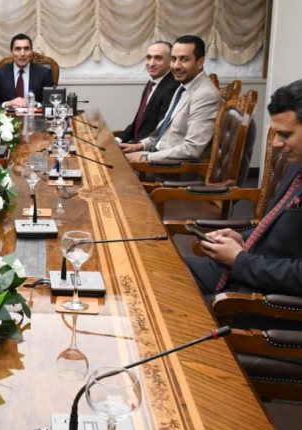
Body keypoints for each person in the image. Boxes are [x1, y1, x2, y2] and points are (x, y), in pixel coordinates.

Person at [186, 79, 302, 297]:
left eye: (285, 135)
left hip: (264, 296)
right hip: (246, 268)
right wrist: (243, 238)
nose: (276, 143)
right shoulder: (298, 164)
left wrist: (239, 260)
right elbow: (277, 229)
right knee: (156, 271)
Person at [120, 35, 221, 163]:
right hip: (157, 158)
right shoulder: (182, 87)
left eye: (184, 59)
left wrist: (144, 157)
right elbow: (163, 134)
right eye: (173, 59)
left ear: (200, 62)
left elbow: (192, 149)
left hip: (172, 170)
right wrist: (139, 146)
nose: (176, 66)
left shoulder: (205, 95)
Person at [117, 41, 178, 143]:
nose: (151, 63)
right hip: (136, 143)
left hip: (147, 148)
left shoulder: (172, 87)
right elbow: (138, 122)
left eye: (158, 58)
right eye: (149, 57)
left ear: (170, 61)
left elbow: (161, 131)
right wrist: (119, 139)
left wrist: (136, 146)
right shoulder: (151, 83)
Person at [0, 33, 54, 108]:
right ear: (11, 52)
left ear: (31, 52)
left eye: (26, 49)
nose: (22, 54)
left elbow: (50, 103)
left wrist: (35, 104)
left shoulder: (45, 73)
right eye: (18, 49)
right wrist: (9, 103)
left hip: (34, 114)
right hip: (9, 115)